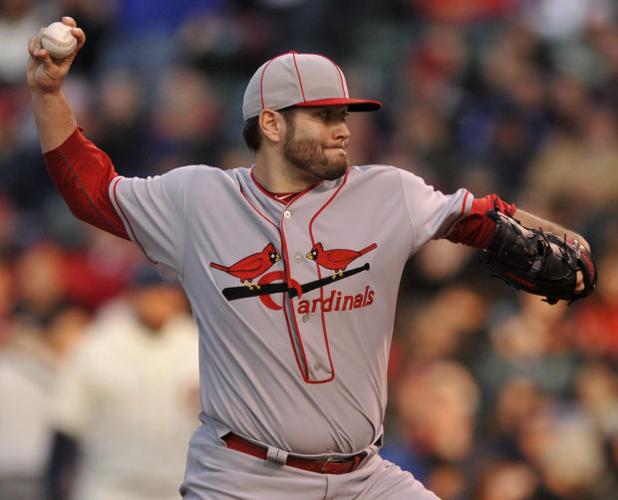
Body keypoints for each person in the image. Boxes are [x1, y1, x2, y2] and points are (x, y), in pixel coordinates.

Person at [27, 17, 595, 500]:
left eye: (344, 116)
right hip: (244, 477)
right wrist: (50, 96)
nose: (342, 130)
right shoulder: (197, 199)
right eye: (323, 116)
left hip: (364, 477)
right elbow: (92, 192)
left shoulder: (388, 191)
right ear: (271, 123)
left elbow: (482, 216)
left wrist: (567, 239)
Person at [46, 267, 199, 500]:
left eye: (165, 292)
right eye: (152, 292)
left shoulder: (196, 343)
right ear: (133, 296)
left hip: (178, 486)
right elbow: (67, 423)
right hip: (110, 486)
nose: (159, 300)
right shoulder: (97, 344)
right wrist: (55, 488)